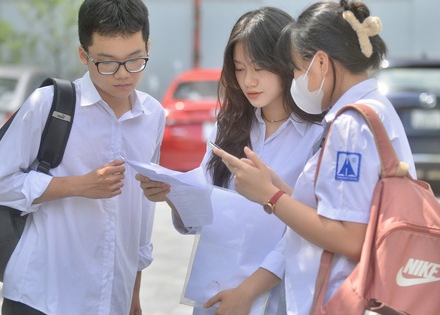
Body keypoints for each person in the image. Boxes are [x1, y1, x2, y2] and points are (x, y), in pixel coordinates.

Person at [211, 1, 418, 314]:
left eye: (296, 68)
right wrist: (281, 189)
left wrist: (271, 196)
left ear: (320, 63)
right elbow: (340, 209)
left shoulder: (350, 125)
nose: (295, 78)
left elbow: (350, 237)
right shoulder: (376, 108)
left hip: (339, 297)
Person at [0, 0, 165, 314]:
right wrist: (77, 186)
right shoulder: (49, 104)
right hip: (42, 296)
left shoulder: (153, 115)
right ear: (84, 55)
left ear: (147, 46)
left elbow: (140, 216)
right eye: (107, 62)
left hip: (112, 299)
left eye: (135, 60)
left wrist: (133, 293)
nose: (123, 74)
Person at [137, 7, 323, 315]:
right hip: (217, 295)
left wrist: (247, 292)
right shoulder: (230, 125)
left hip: (278, 299)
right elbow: (206, 215)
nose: (248, 80)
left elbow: (306, 231)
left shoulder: (315, 135)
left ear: (287, 64)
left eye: (258, 67)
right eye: (239, 69)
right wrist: (172, 195)